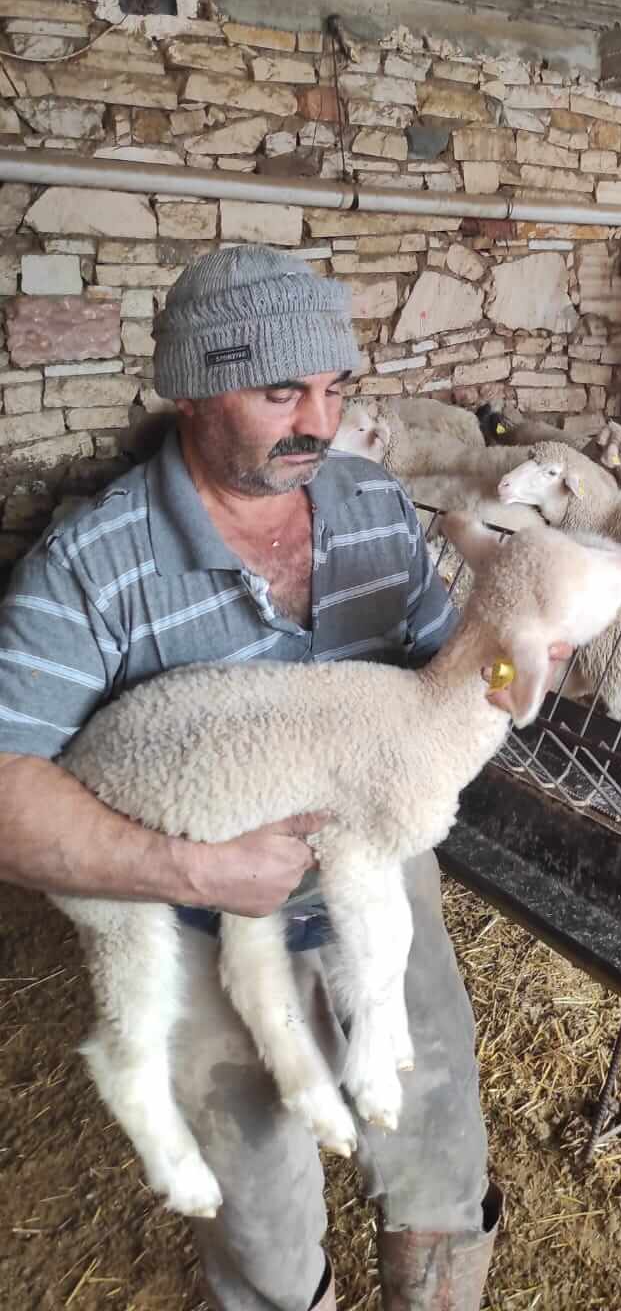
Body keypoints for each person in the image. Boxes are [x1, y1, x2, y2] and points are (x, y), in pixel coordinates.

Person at [0, 246, 505, 1311]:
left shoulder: (370, 506)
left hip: (378, 883)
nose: (317, 421)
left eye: (334, 388)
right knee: (264, 1210)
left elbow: (438, 678)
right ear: (190, 388)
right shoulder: (91, 568)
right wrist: (199, 868)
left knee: (436, 1156)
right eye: (281, 391)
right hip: (198, 916)